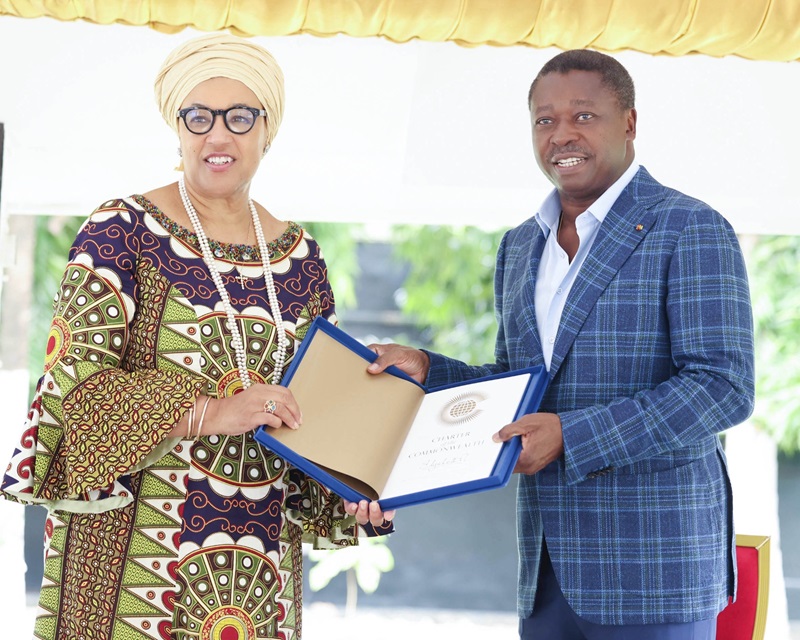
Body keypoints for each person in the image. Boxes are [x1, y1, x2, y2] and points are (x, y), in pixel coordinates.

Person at [1, 33, 391, 640]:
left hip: (257, 566)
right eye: (198, 117)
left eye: (240, 117)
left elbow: (320, 407)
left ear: (268, 130)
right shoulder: (120, 231)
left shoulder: (302, 257)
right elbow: (71, 401)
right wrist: (212, 411)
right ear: (176, 127)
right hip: (130, 564)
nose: (218, 136)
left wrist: (357, 485)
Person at [367, 49, 754, 639]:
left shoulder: (690, 227)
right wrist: (427, 369)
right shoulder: (520, 245)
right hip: (547, 570)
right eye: (544, 120)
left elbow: (722, 388)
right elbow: (516, 387)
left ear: (628, 122)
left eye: (583, 116)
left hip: (654, 572)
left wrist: (571, 436)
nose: (561, 134)